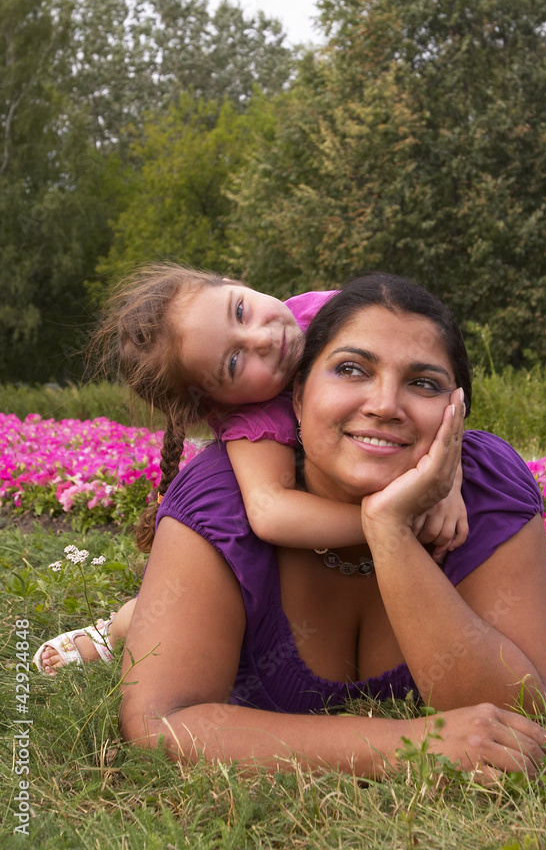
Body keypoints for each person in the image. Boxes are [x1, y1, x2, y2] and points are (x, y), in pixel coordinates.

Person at [118, 273, 546, 778]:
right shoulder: (221, 503)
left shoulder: (486, 486)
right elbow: (159, 722)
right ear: (297, 396)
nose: (384, 405)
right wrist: (409, 746)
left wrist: (390, 530)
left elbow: (526, 717)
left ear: (456, 409)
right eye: (351, 369)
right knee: (147, 623)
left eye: (423, 383)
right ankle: (125, 621)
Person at [34, 265, 467, 674]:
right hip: (281, 552)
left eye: (240, 310)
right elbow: (270, 512)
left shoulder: (329, 313)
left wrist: (448, 483)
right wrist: (393, 518)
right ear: (215, 402)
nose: (262, 338)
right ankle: (116, 631)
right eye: (235, 363)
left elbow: (432, 385)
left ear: (234, 281)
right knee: (185, 602)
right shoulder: (251, 418)